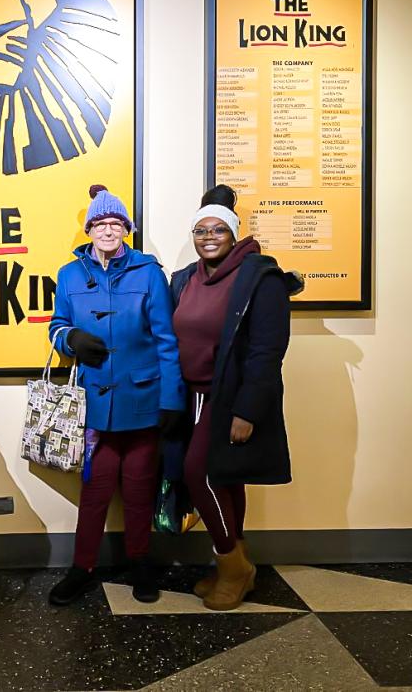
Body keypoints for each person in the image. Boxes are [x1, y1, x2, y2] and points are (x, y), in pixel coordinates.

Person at [47, 185, 186, 606]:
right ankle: (82, 566)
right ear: (89, 229)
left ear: (126, 229)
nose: (108, 230)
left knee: (140, 490)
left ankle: (140, 563)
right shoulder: (69, 275)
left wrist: (172, 399)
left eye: (116, 224)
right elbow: (55, 325)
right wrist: (71, 339)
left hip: (144, 402)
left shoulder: (148, 273)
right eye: (100, 224)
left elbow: (166, 338)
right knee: (94, 493)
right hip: (94, 408)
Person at [169, 184, 301, 610]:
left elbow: (267, 351)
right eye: (200, 230)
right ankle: (237, 561)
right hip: (191, 396)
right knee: (224, 478)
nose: (208, 237)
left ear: (233, 233)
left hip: (226, 397)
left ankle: (233, 567)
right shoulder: (187, 278)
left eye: (218, 230)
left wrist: (247, 410)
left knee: (200, 474)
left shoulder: (260, 279)